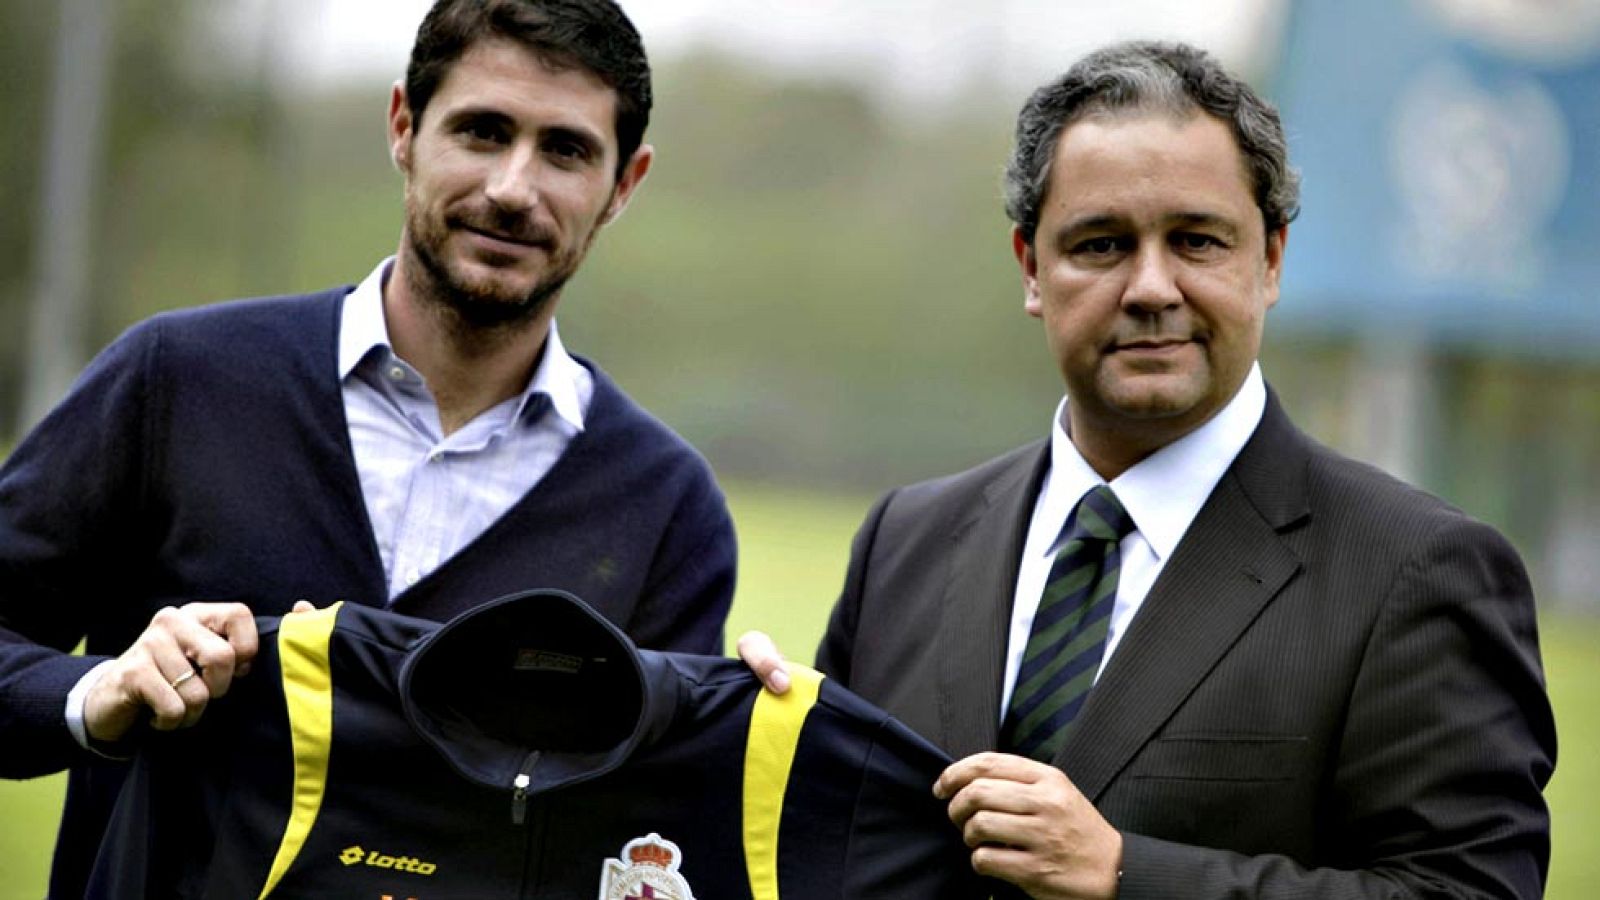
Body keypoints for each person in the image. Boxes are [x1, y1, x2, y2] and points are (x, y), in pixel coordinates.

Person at [741, 41, 1555, 899]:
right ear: (1030, 268)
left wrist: (1126, 874)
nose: (1151, 288)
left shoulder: (1413, 570)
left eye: (1198, 241)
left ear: (1271, 259)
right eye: (1100, 244)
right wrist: (748, 736)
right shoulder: (906, 541)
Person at [0, 2, 735, 896]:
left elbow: (647, 842)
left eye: (566, 150)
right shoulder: (179, 380)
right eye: (482, 130)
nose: (513, 186)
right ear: (404, 128)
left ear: (625, 183)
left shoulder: (666, 507)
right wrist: (99, 695)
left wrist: (728, 735)